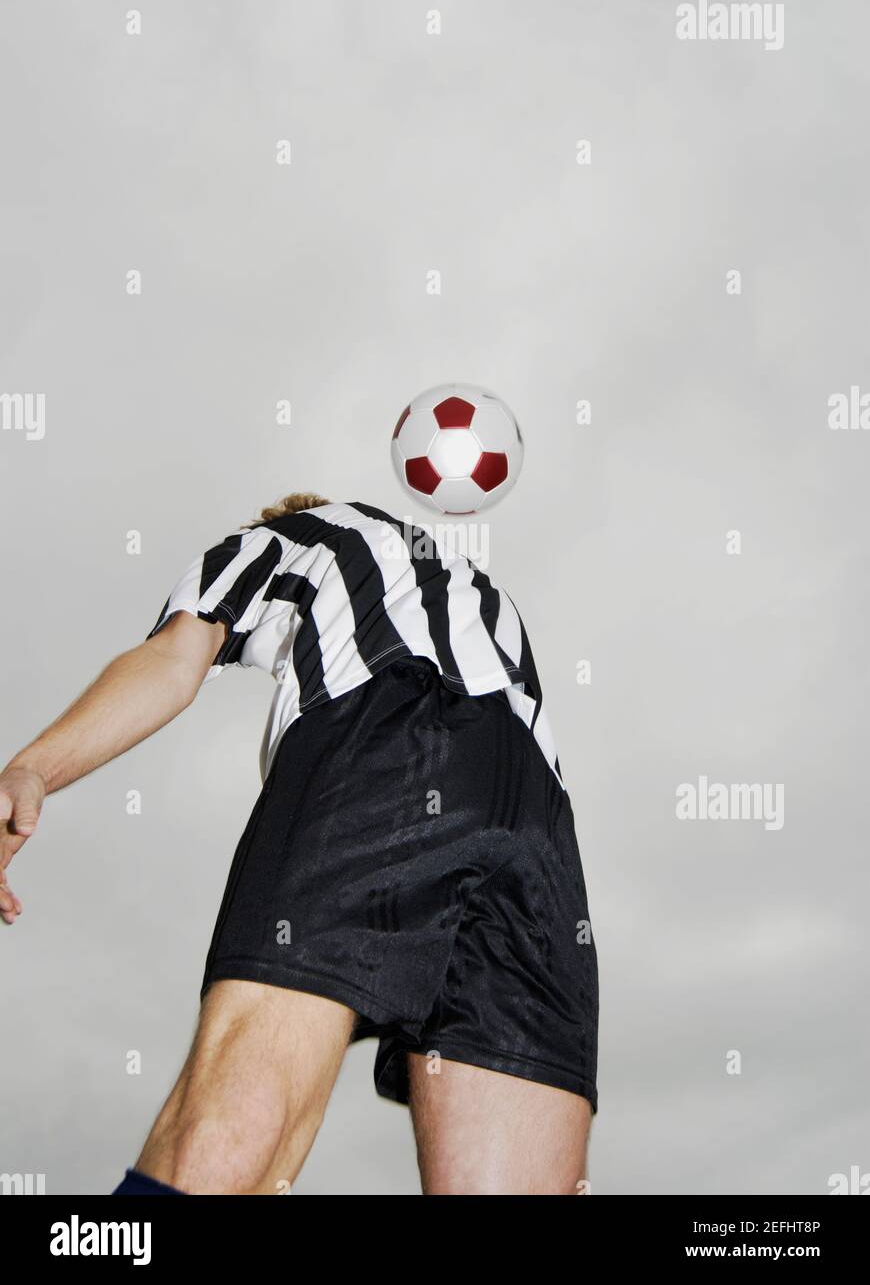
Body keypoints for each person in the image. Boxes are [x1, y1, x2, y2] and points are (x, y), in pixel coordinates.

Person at [0, 494, 598, 1196]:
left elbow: (173, 659)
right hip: (539, 816)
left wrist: (35, 766)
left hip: (387, 737)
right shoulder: (473, 585)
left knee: (229, 1150)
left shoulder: (279, 539)